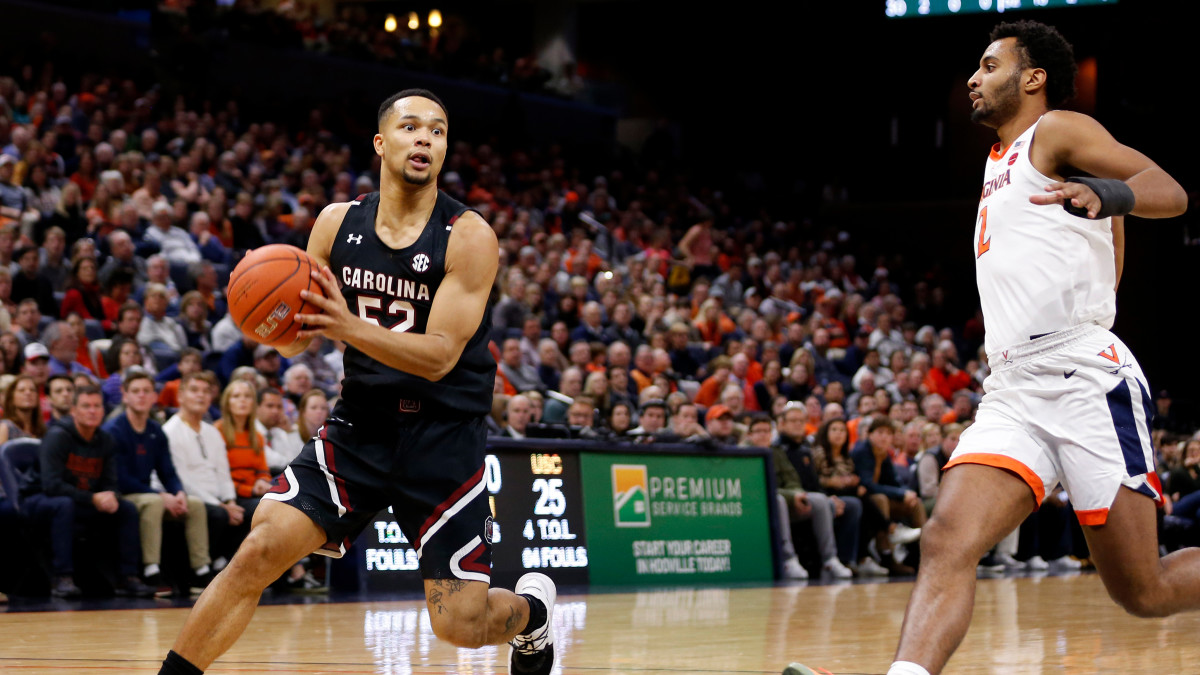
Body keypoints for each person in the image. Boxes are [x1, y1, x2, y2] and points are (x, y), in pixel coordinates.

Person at [788, 21, 1190, 675]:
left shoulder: (1057, 129)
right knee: (946, 536)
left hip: (1083, 375)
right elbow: (1099, 259)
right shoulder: (996, 162)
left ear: (1032, 79)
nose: (973, 78)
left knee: (1143, 589)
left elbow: (1168, 191)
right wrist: (1098, 222)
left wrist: (1108, 194)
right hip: (1012, 387)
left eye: (989, 65)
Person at [156, 89, 557, 675]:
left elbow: (441, 355)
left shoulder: (469, 236)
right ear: (381, 142)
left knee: (461, 627)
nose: (425, 139)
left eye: (438, 131)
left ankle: (533, 615)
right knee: (258, 550)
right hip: (360, 424)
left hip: (443, 436)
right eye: (411, 127)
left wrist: (347, 324)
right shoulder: (336, 223)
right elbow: (300, 336)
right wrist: (265, 312)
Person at [18, 385, 156, 598]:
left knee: (126, 509)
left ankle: (128, 577)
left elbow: (111, 482)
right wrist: (92, 498)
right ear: (73, 410)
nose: (92, 411)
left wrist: (111, 495)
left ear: (103, 410)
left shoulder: (106, 440)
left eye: (97, 406)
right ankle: (62, 577)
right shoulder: (58, 436)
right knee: (64, 505)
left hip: (81, 500)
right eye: (86, 406)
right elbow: (51, 485)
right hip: (38, 498)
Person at [104, 370, 212, 596]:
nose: (141, 396)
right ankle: (151, 570)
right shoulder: (115, 430)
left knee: (195, 504)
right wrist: (161, 495)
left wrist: (178, 492)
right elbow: (119, 478)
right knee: (153, 502)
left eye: (146, 391)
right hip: (121, 493)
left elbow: (168, 471)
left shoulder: (155, 429)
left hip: (146, 492)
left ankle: (200, 571)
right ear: (125, 396)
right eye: (135, 391)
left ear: (155, 396)